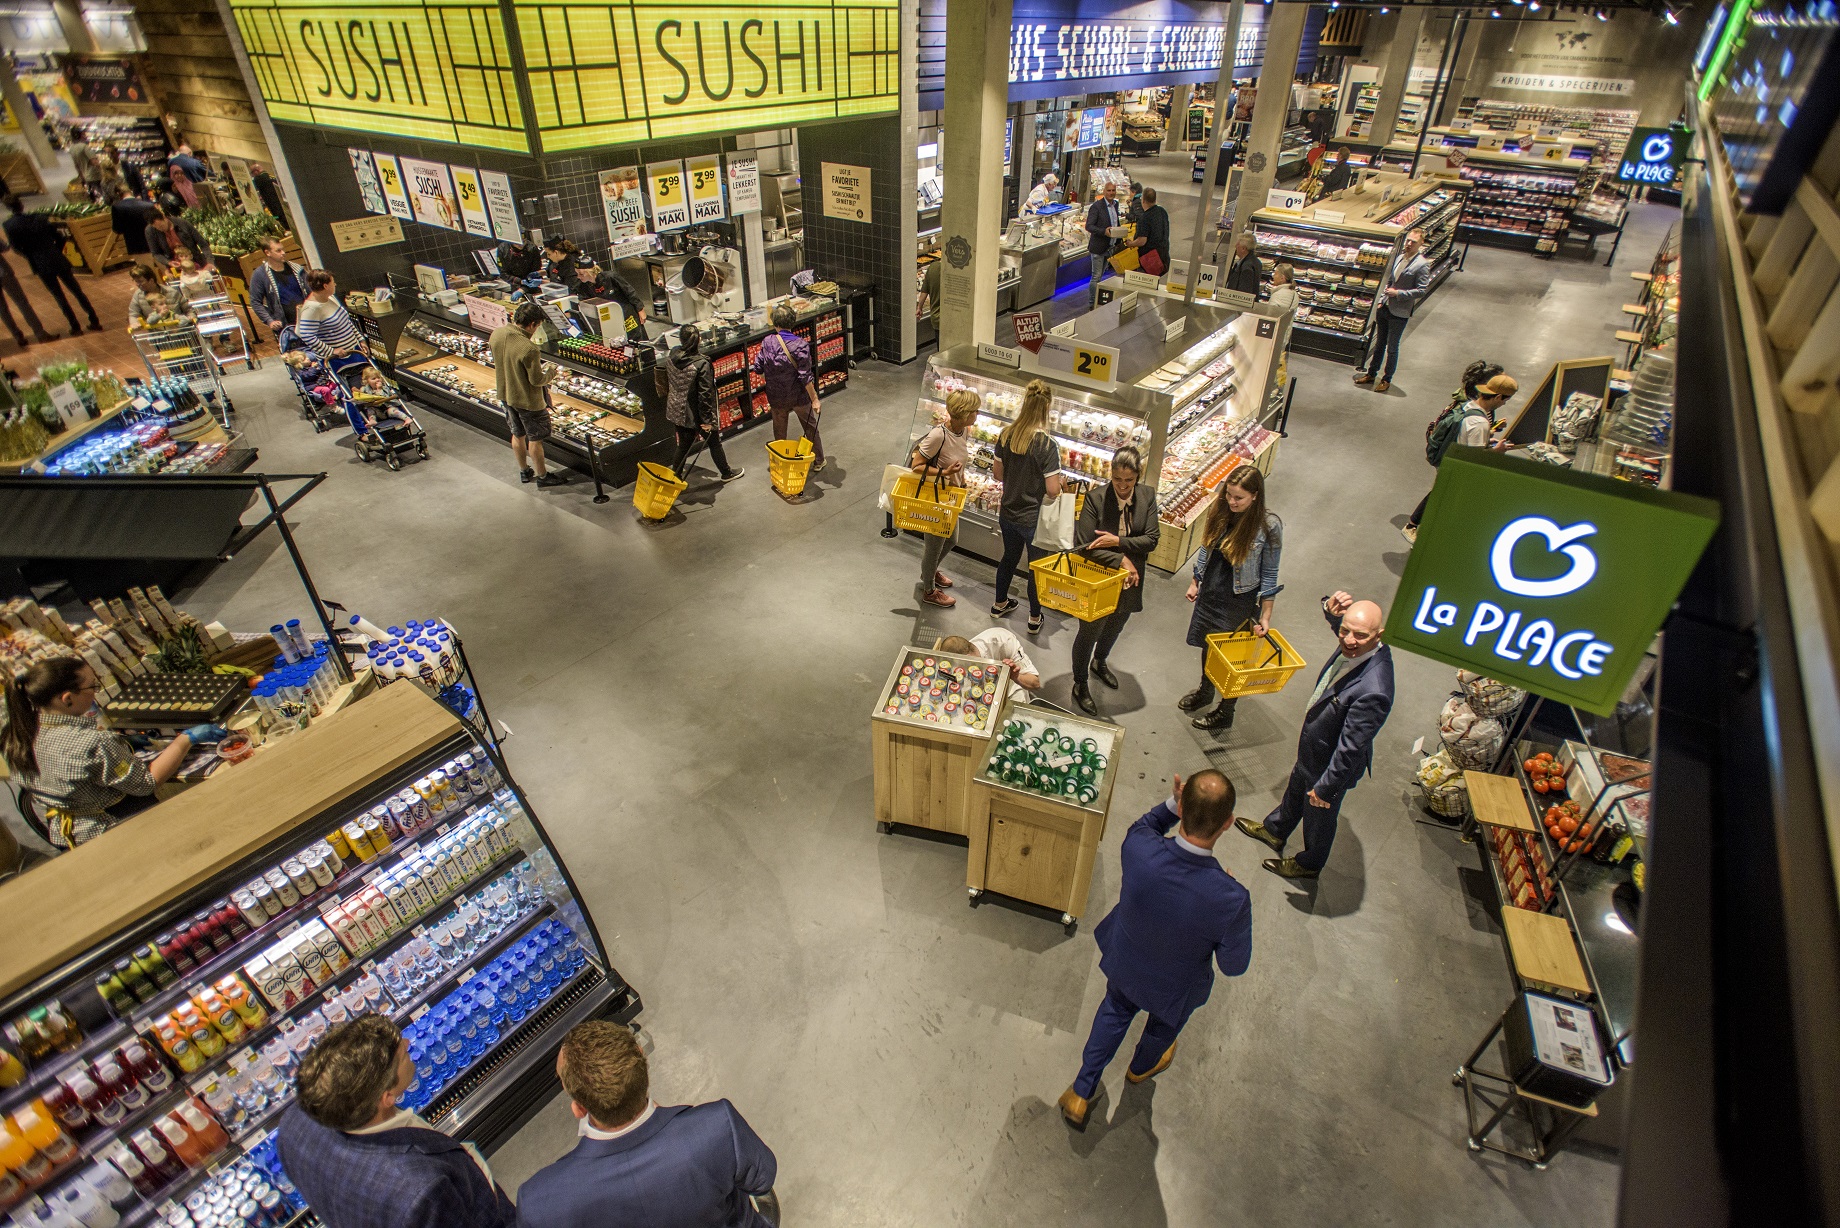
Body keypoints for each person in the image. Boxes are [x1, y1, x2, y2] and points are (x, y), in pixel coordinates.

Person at [1057, 769, 1251, 1129]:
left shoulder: (1140, 848)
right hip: (1176, 986)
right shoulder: (1232, 898)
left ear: (1183, 808)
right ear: (1228, 823)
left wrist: (1172, 805)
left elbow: (1146, 824)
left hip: (1128, 961)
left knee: (1114, 1011)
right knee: (1163, 1027)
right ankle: (1140, 1067)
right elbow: (1233, 965)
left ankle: (1081, 1091)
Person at [515, 1020, 777, 1228]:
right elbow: (762, 1180)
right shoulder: (717, 1127)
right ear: (643, 1063)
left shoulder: (539, 1202)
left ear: (579, 1108)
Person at [278, 1014, 517, 1228]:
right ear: (387, 1097)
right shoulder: (422, 1192)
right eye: (401, 1056)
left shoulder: (293, 1123)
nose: (408, 1043)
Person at [1236, 592, 1395, 880]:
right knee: (1296, 787)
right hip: (1314, 749)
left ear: (1378, 635)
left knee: (1319, 816)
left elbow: (1351, 748)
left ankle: (1310, 864)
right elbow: (1343, 628)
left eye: (1359, 635)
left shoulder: (1375, 690)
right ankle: (1275, 830)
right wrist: (1330, 609)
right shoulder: (1356, 647)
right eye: (1345, 631)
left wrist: (1326, 788)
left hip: (1330, 766)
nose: (1348, 640)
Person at [3, 657, 225, 849]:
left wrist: (122, 746)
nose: (95, 692)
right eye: (92, 687)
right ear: (67, 698)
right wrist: (186, 739)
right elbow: (147, 783)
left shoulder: (15, 734)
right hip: (118, 832)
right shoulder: (93, 743)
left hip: (71, 836)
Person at [1181, 464, 1282, 731]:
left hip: (1238, 599)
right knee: (1208, 645)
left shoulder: (1268, 526)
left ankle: (1226, 711)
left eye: (1239, 497)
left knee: (1232, 658)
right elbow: (1206, 546)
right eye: (1229, 494)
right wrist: (1196, 580)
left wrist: (1266, 615)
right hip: (1212, 591)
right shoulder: (1221, 510)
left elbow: (1270, 573)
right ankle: (1205, 691)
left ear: (1255, 496)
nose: (1232, 501)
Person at [1069, 445, 1158, 716]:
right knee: (1089, 630)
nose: (1122, 486)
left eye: (1129, 480)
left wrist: (1117, 541)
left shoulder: (1147, 496)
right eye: (1117, 479)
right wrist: (1122, 559)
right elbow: (1085, 544)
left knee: (1117, 623)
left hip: (1131, 579)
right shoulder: (1095, 498)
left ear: (1138, 476)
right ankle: (1080, 683)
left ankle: (1100, 661)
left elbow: (1152, 539)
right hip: (1100, 578)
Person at [1403, 370, 1516, 543]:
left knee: (1439, 494)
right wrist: (1497, 451)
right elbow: (1476, 458)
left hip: (1448, 457)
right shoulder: (1480, 423)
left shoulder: (1469, 406)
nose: (1503, 404)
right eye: (1505, 400)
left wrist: (1486, 440)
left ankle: (1416, 527)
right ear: (1498, 397)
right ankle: (1420, 531)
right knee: (1442, 500)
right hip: (1459, 469)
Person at [990, 378, 1064, 635]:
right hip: (1033, 519)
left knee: (1009, 558)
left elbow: (997, 474)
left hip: (1008, 512)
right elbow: (1053, 490)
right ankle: (1034, 618)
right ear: (1047, 407)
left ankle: (999, 604)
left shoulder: (1006, 435)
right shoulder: (1047, 445)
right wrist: (1059, 483)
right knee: (1036, 568)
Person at [909, 390, 977, 607]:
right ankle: (929, 590)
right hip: (936, 497)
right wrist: (945, 473)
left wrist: (961, 480)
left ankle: (929, 572)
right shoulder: (938, 435)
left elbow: (959, 460)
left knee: (951, 540)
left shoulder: (963, 431)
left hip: (951, 496)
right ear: (964, 413)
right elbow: (916, 466)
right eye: (974, 411)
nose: (977, 414)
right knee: (934, 546)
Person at [0, 196, 102, 335]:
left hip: (40, 263)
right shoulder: (40, 218)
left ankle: (75, 326)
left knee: (59, 296)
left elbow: (16, 247)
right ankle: (94, 319)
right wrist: (55, 250)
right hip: (56, 257)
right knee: (77, 291)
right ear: (21, 205)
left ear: (8, 208)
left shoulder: (9, 225)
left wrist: (30, 256)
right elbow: (59, 237)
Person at [489, 301, 565, 488]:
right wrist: (552, 372)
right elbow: (537, 380)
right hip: (528, 401)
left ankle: (524, 471)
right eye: (538, 326)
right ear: (532, 324)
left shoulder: (497, 333)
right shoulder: (529, 348)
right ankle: (542, 476)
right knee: (535, 439)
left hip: (506, 395)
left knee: (517, 434)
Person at [1354, 227, 1432, 393]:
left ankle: (1386, 379)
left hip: (1400, 311)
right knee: (1379, 344)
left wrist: (1398, 293)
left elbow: (1421, 290)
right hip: (1385, 307)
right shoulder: (1399, 257)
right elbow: (1390, 281)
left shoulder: (1422, 265)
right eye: (1408, 240)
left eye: (1413, 242)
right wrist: (1382, 300)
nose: (1409, 244)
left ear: (1421, 243)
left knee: (1392, 347)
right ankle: (1371, 373)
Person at [663, 326, 744, 484]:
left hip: (676, 407)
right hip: (696, 412)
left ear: (680, 339)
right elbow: (705, 394)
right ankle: (726, 473)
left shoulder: (673, 354)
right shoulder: (701, 363)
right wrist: (707, 420)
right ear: (699, 340)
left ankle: (675, 477)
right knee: (713, 442)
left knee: (683, 444)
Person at [754, 303, 824, 471]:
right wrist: (815, 399)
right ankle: (818, 460)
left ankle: (781, 463)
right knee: (810, 427)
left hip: (776, 396)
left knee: (779, 431)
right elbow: (805, 377)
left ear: (775, 323)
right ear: (792, 322)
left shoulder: (768, 342)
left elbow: (758, 367)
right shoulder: (800, 345)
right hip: (798, 396)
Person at [937, 630, 1042, 696]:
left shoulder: (1004, 642)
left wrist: (1015, 677)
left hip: (1011, 690)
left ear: (968, 658)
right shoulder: (960, 655)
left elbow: (1035, 683)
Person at [296, 269, 367, 359]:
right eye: (333, 282)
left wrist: (360, 339)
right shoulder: (311, 308)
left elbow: (345, 321)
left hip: (353, 351)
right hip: (337, 359)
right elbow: (307, 336)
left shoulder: (330, 297)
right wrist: (332, 351)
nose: (335, 284)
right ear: (325, 286)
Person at [249, 236, 309, 335]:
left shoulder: (296, 269)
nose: (283, 253)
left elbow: (311, 290)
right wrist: (269, 320)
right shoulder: (260, 274)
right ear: (267, 253)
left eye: (283, 249)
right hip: (285, 327)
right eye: (278, 251)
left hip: (307, 320)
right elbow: (255, 301)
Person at [0, 236, 53, 348]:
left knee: (2, 309)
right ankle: (40, 333)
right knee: (21, 302)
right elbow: (4, 247)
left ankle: (18, 336)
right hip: (3, 272)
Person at [1085, 180, 1123, 308]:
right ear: (1104, 191)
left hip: (1109, 247)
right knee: (1096, 277)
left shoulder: (1115, 205)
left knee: (1100, 276)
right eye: (1109, 190)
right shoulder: (1096, 207)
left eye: (1113, 190)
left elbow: (1115, 223)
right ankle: (1092, 303)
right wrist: (1103, 232)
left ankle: (1096, 300)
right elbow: (1089, 226)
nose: (1111, 193)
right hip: (1098, 248)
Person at [125, 263, 189, 330]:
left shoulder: (172, 292)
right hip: (156, 333)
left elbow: (188, 309)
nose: (138, 284)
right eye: (136, 281)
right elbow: (133, 314)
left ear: (151, 280)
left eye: (140, 281)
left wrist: (188, 319)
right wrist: (134, 323)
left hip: (178, 331)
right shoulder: (138, 295)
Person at [144, 207, 212, 269]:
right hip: (175, 266)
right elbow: (156, 253)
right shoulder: (150, 231)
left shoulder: (182, 223)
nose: (160, 229)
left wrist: (210, 262)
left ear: (164, 218)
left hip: (196, 262)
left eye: (161, 226)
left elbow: (203, 244)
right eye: (156, 228)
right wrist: (168, 262)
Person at [1129, 186, 1170, 275]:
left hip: (1150, 260)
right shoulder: (1162, 211)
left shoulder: (1144, 218)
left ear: (1143, 200)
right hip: (1164, 256)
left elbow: (1142, 241)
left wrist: (1131, 244)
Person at [1223, 232, 1262, 297]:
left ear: (1243, 249)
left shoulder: (1247, 268)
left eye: (1237, 244)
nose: (1235, 246)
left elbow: (1243, 294)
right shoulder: (1257, 261)